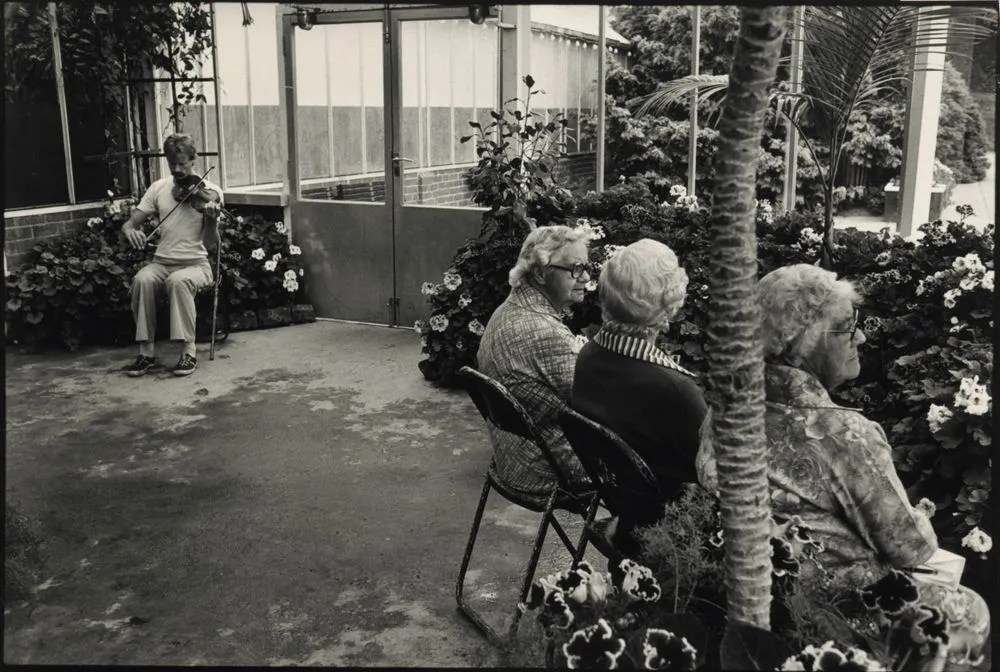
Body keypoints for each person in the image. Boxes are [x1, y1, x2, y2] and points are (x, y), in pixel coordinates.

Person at [699, 263, 987, 669]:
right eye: (848, 326)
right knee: (971, 612)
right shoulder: (842, 434)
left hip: (750, 601)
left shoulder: (723, 408)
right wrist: (921, 515)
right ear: (806, 344)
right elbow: (911, 549)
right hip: (840, 623)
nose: (863, 336)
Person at [572, 239, 708, 553]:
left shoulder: (588, 356)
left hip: (626, 512)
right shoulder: (674, 389)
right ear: (671, 302)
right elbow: (719, 476)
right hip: (672, 532)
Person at [476, 225, 593, 500]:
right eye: (575, 269)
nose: (586, 277)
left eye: (586, 267)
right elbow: (599, 405)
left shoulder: (506, 311)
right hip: (547, 470)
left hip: (513, 458)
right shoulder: (544, 333)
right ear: (540, 273)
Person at [120, 134, 222, 377]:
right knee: (142, 279)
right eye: (172, 164)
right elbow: (130, 223)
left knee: (178, 281)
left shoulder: (211, 192)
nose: (177, 170)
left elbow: (211, 247)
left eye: (182, 164)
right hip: (162, 262)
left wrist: (210, 220)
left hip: (196, 265)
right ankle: (146, 353)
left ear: (193, 160)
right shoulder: (159, 188)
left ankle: (188, 352)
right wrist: (129, 230)